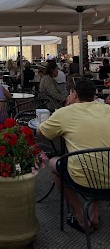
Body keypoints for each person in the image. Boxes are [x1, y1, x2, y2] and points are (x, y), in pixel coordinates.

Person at [38, 78, 110, 233]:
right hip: (109, 178)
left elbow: (41, 132)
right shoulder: (107, 109)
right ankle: (95, 212)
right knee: (101, 159)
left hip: (82, 179)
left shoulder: (65, 112)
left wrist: (66, 108)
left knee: (54, 163)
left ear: (75, 94)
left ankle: (80, 216)